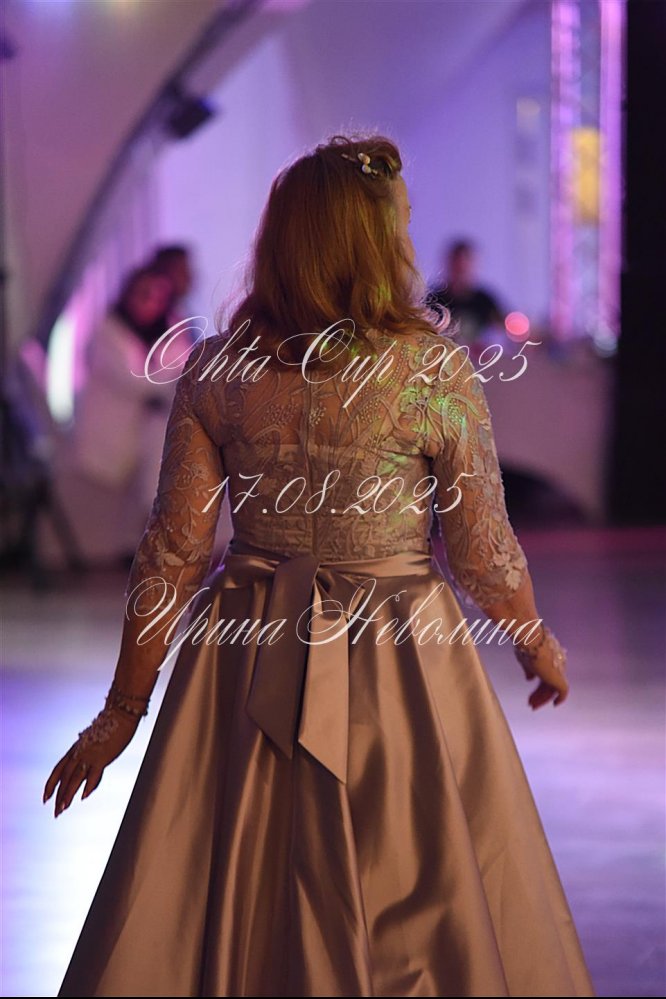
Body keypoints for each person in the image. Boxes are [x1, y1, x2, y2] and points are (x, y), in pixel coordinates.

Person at [44, 133, 595, 997]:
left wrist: (123, 709)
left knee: (237, 882)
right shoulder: (432, 368)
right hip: (402, 655)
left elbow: (174, 553)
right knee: (415, 883)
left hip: (245, 651)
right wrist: (533, 640)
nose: (408, 237)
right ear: (374, 241)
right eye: (399, 223)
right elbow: (482, 547)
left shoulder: (220, 369)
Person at [72, 265, 189, 542]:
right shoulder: (108, 331)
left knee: (157, 494)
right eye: (144, 294)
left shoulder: (172, 330)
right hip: (114, 434)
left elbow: (181, 370)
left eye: (159, 297)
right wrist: (172, 379)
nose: (151, 303)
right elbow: (137, 379)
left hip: (153, 435)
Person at [429, 238, 506, 351]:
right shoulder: (433, 300)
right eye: (457, 266)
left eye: (465, 266)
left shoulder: (485, 300)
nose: (461, 270)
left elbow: (502, 327)